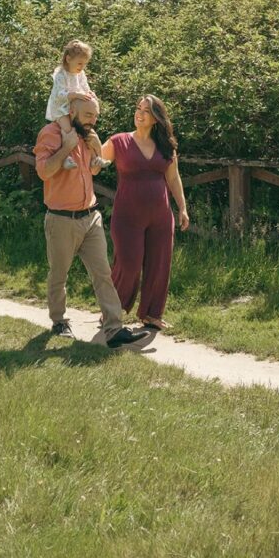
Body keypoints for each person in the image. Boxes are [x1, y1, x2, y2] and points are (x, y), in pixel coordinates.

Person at [33, 95, 150, 349]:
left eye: (95, 116)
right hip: (61, 219)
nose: (92, 121)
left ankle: (114, 328)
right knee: (59, 274)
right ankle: (59, 321)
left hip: (90, 216)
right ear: (72, 111)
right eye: (88, 116)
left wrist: (96, 151)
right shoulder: (50, 134)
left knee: (103, 273)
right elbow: (43, 172)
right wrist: (66, 147)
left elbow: (93, 170)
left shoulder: (88, 135)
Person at [101, 95, 189, 332]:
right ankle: (111, 311)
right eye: (138, 109)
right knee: (128, 264)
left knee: (159, 265)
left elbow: (173, 177)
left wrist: (182, 207)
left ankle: (151, 314)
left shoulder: (165, 146)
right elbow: (95, 162)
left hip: (161, 217)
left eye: (146, 111)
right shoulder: (118, 141)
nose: (139, 114)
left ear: (156, 118)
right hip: (127, 216)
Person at [45, 39, 109, 171]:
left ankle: (97, 158)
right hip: (61, 108)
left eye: (85, 64)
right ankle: (66, 158)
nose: (82, 67)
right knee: (68, 130)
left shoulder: (80, 73)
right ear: (68, 59)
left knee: (88, 132)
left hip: (75, 107)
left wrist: (91, 95)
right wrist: (75, 94)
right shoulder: (60, 74)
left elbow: (86, 88)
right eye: (80, 63)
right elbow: (59, 95)